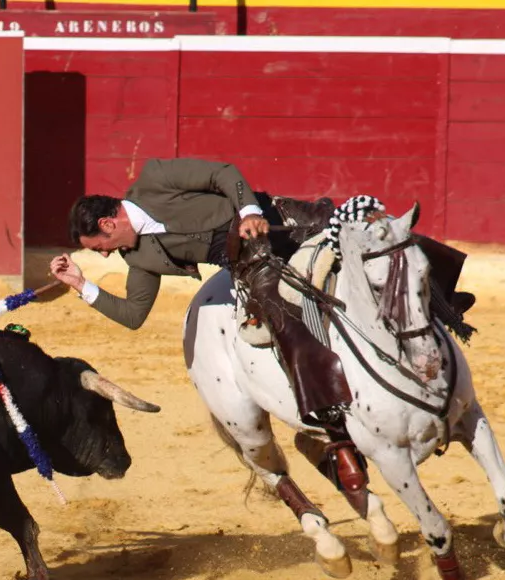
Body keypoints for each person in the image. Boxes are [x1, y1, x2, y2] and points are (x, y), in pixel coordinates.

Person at [48, 157, 370, 489]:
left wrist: (250, 213)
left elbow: (223, 173)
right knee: (283, 326)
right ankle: (331, 423)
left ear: (109, 224)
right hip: (252, 266)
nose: (104, 255)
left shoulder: (154, 179)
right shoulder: (138, 256)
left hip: (278, 220)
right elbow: (133, 315)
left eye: (101, 247)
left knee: (381, 247)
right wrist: (80, 284)